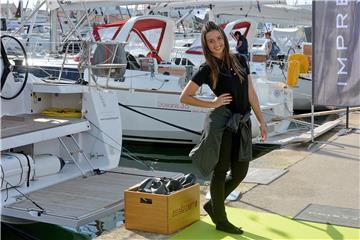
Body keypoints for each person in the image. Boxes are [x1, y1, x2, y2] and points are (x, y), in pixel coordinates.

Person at [180, 21, 267, 234]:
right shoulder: (207, 68)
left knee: (240, 170)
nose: (216, 44)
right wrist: (212, 103)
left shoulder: (240, 60)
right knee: (220, 171)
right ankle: (221, 219)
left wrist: (261, 120)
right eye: (211, 41)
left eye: (218, 39)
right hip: (222, 122)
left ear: (224, 38)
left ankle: (213, 206)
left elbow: (250, 93)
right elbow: (185, 97)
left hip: (242, 121)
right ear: (206, 45)